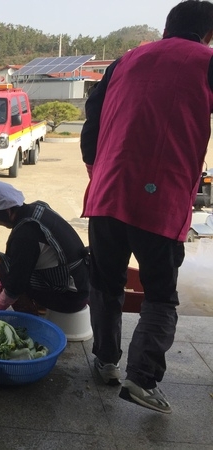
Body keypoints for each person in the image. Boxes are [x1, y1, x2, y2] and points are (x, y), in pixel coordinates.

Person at [80, 0, 213, 414]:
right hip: (162, 200)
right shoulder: (206, 60)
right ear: (207, 34)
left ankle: (104, 361)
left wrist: (99, 175)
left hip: (105, 194)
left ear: (167, 27)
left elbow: (91, 122)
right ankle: (142, 379)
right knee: (160, 295)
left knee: (105, 282)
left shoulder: (125, 60)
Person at [0, 181, 89, 315]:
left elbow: (16, 283)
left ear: (7, 211)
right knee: (10, 270)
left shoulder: (26, 234)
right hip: (82, 283)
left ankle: (29, 318)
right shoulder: (38, 208)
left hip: (71, 298)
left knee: (3, 268)